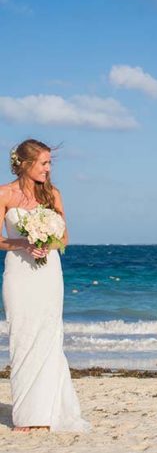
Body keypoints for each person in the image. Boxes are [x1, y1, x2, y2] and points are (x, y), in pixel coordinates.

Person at [0, 139, 89, 432]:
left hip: (49, 272)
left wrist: (44, 241)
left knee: (49, 337)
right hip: (18, 273)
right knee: (22, 336)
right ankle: (26, 417)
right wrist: (23, 242)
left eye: (50, 163)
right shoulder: (4, 194)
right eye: (43, 163)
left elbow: (64, 238)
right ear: (25, 164)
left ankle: (47, 413)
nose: (48, 169)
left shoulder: (52, 194)